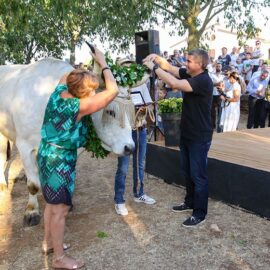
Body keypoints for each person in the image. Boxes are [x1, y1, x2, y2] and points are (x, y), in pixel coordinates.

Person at [37, 47, 119, 269]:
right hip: (59, 161)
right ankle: (59, 259)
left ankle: (49, 243)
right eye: (91, 90)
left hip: (46, 153)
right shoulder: (79, 106)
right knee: (60, 208)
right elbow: (112, 91)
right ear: (81, 93)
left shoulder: (59, 92)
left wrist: (81, 71)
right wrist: (102, 63)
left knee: (50, 204)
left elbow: (67, 76)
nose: (94, 94)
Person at [143, 48, 213, 228]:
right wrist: (158, 59)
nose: (186, 63)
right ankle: (189, 202)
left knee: (198, 176)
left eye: (189, 61)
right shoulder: (191, 73)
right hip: (188, 133)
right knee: (188, 171)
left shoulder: (203, 81)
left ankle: (200, 213)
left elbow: (173, 82)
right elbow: (172, 69)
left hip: (200, 136)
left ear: (200, 64)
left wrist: (154, 68)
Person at [114, 58, 156, 216]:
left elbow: (150, 105)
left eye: (131, 66)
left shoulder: (141, 84)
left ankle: (139, 194)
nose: (128, 69)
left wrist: (145, 108)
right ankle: (119, 200)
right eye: (125, 67)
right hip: (125, 132)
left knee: (140, 164)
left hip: (140, 128)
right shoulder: (117, 86)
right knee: (123, 168)